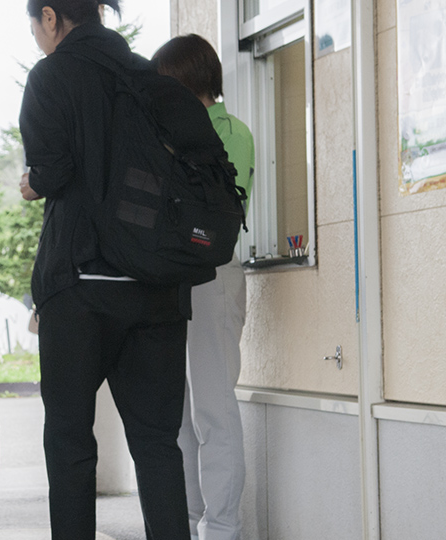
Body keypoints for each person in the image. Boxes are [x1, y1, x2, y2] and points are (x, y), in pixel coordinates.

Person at [19, 1, 192, 538]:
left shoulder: (50, 76)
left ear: (51, 17)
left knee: (70, 442)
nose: (36, 36)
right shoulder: (152, 77)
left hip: (81, 286)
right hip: (158, 286)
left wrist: (32, 183)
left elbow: (52, 169)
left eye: (35, 25)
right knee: (158, 444)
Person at [153, 34, 255, 540]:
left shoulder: (228, 132)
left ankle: (221, 528)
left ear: (182, 82)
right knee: (181, 416)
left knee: (212, 409)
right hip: (176, 279)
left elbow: (209, 211)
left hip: (211, 276)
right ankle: (195, 524)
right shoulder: (175, 131)